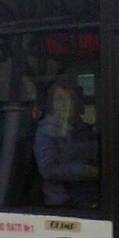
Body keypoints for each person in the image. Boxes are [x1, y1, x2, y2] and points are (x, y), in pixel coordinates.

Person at [34, 78, 99, 208]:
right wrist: (85, 171)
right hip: (63, 202)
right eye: (60, 98)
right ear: (52, 104)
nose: (66, 103)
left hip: (89, 195)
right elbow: (48, 170)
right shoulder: (46, 131)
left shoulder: (85, 130)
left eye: (71, 98)